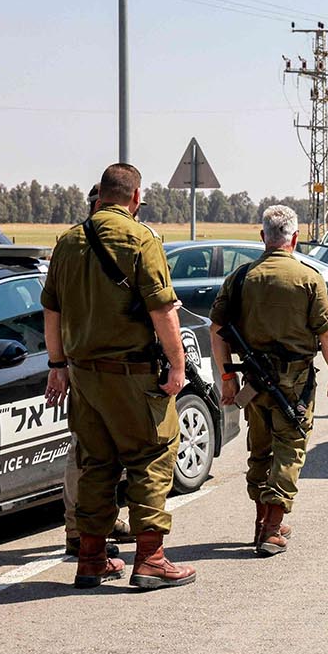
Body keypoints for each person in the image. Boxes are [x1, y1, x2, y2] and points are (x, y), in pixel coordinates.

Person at [40, 163, 196, 589]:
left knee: (95, 462)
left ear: (100, 196)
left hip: (84, 376)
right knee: (152, 456)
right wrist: (178, 366)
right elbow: (163, 310)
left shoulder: (68, 242)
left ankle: (91, 559)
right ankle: (150, 559)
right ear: (135, 197)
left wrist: (57, 366)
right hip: (133, 375)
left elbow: (50, 310)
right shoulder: (141, 239)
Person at [209, 204, 328, 556]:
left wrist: (227, 377)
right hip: (294, 384)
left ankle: (263, 520)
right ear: (295, 238)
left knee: (261, 450)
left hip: (254, 385)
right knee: (290, 449)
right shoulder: (308, 277)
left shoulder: (240, 278)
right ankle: (270, 530)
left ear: (263, 238)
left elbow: (217, 330)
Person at [61, 183, 130, 559]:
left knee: (103, 449)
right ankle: (78, 528)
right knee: (86, 451)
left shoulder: (71, 244)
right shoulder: (82, 245)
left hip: (88, 360)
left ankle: (99, 521)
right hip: (94, 364)